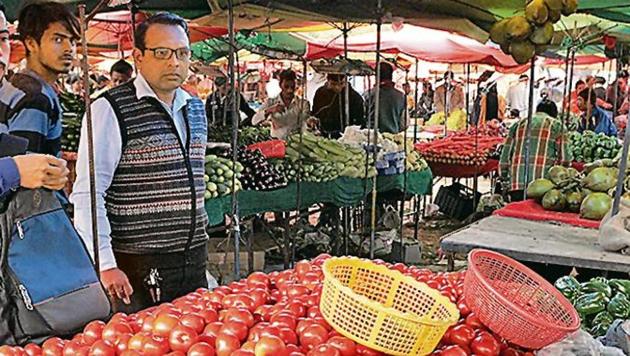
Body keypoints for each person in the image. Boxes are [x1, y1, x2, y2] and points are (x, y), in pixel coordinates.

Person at [71, 13, 209, 313]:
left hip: (193, 258)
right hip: (138, 266)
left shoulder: (196, 108)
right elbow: (88, 193)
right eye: (162, 53)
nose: (174, 62)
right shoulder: (109, 110)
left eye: (182, 53)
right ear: (139, 57)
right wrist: (105, 264)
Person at [2, 2, 79, 157]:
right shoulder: (35, 97)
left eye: (72, 41)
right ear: (31, 43)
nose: (68, 49)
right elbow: (25, 170)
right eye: (58, 39)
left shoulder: (16, 84)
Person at [500, 99, 572, 202]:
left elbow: (505, 157)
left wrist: (504, 176)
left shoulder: (518, 124)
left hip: (517, 184)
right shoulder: (557, 126)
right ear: (554, 114)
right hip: (543, 187)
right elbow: (565, 159)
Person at [252, 69, 310, 139]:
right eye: (286, 86)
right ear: (280, 85)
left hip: (297, 144)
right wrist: (270, 110)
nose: (290, 90)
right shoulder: (271, 102)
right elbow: (254, 121)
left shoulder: (303, 103)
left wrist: (311, 122)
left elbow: (306, 121)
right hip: (277, 142)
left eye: (292, 87)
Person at [311, 74, 365, 138]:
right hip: (322, 135)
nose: (337, 87)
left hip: (346, 137)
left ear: (346, 81)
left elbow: (359, 122)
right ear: (328, 81)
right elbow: (315, 113)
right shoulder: (320, 93)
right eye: (333, 84)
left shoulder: (355, 97)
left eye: (341, 83)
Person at [365, 62, 406, 134]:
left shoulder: (368, 94)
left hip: (372, 137)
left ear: (376, 76)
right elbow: (404, 124)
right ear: (391, 76)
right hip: (392, 138)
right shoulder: (401, 96)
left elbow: (364, 117)